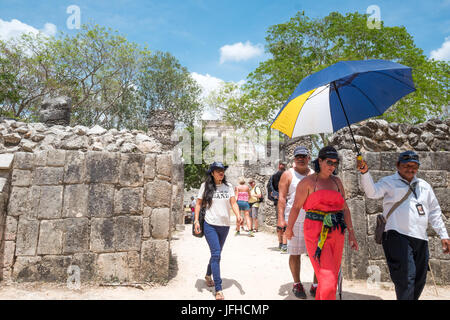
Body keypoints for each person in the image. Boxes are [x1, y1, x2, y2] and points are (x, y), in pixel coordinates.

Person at [357, 150, 450, 300]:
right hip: (397, 236)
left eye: (414, 166)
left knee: (419, 280)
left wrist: (444, 235)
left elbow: (434, 212)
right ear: (398, 165)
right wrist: (365, 173)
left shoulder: (424, 186)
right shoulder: (389, 182)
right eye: (406, 165)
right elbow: (372, 192)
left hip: (421, 239)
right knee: (406, 278)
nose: (410, 169)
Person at [286, 146, 358, 300]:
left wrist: (351, 233)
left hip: (337, 233)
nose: (332, 166)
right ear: (319, 161)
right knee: (328, 279)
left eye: (335, 163)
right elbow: (296, 207)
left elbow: (345, 209)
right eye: (329, 162)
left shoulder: (337, 182)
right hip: (315, 233)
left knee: (330, 274)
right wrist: (289, 228)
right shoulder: (307, 182)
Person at [194, 161, 243, 300]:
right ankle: (219, 289)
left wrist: (239, 215)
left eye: (222, 170)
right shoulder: (205, 186)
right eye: (218, 170)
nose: (221, 173)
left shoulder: (228, 187)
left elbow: (233, 203)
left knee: (217, 253)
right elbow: (198, 204)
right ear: (212, 173)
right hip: (210, 224)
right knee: (216, 254)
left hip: (225, 225)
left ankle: (208, 275)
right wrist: (196, 220)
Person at [277, 146, 317, 298]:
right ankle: (297, 283)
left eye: (303, 156)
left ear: (308, 158)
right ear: (294, 159)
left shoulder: (315, 174)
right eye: (297, 156)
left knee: (316, 253)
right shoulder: (288, 175)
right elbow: (281, 198)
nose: (300, 158)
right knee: (295, 252)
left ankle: (316, 285)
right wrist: (281, 219)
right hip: (293, 219)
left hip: (314, 218)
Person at [269, 160, 287, 251]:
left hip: (278, 202)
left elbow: (270, 192)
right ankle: (284, 244)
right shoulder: (289, 175)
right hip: (287, 202)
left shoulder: (273, 177)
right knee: (286, 222)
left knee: (279, 221)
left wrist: (275, 199)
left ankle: (280, 243)